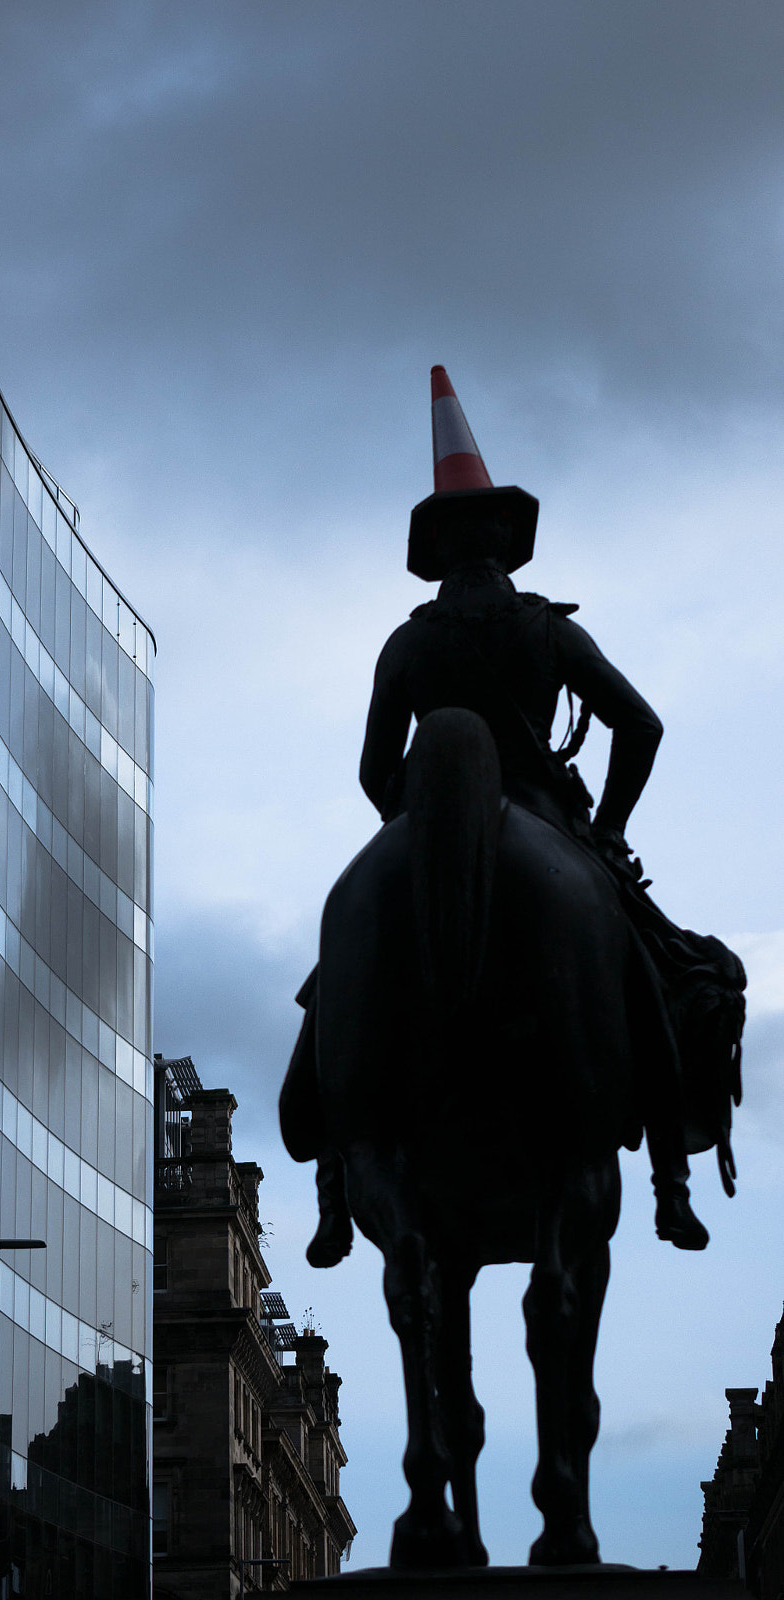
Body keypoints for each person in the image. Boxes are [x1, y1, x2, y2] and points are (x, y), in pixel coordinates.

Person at [282, 366, 715, 1265]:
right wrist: (609, 831)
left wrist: (409, 822)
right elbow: (640, 725)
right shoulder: (551, 631)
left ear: (438, 554)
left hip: (419, 826)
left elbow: (372, 768)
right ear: (507, 545)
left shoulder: (406, 643)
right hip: (555, 820)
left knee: (334, 980)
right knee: (652, 970)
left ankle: (332, 1189)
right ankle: (671, 1181)